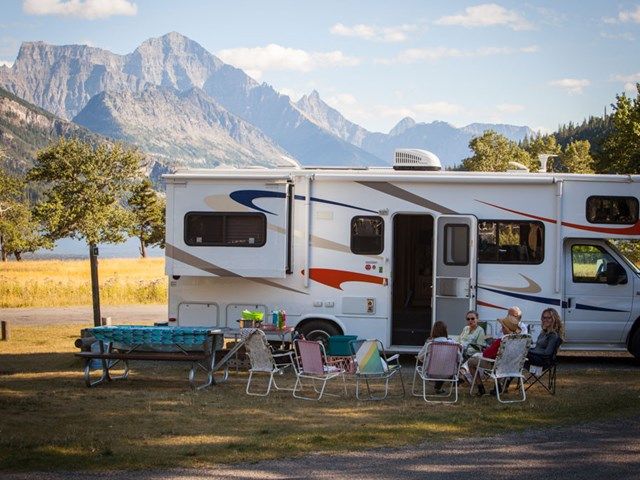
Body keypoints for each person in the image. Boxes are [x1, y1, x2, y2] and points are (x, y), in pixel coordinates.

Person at [464, 314, 521, 396]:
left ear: (505, 329)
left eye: (502, 327)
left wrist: (488, 347)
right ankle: (497, 387)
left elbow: (486, 354)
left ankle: (481, 388)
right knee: (498, 362)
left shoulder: (501, 341)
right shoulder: (518, 341)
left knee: (471, 362)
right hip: (512, 366)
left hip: (496, 365)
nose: (501, 328)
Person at [417, 321, 458, 394]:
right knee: (443, 365)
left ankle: (438, 387)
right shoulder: (453, 344)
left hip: (430, 373)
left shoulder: (430, 344)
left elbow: (420, 356)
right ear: (445, 331)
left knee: (437, 364)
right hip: (449, 373)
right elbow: (459, 359)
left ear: (433, 331)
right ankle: (438, 388)